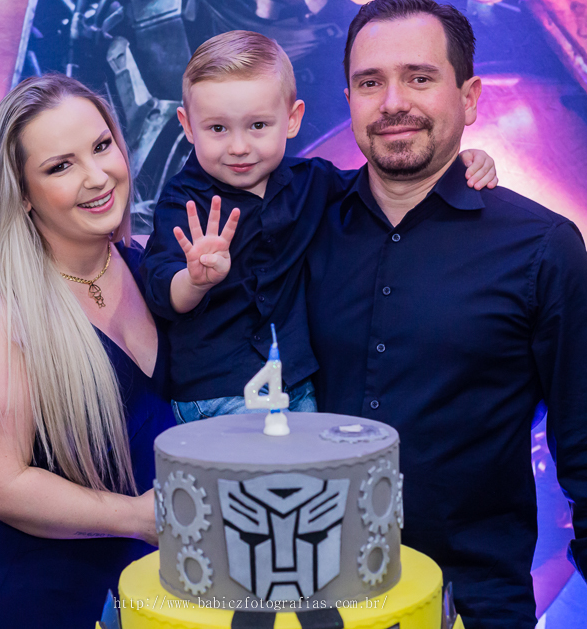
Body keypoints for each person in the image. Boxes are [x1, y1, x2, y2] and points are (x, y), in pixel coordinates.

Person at [305, 0, 587, 628]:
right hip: (312, 604)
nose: (392, 103)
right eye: (369, 83)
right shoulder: (302, 230)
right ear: (349, 99)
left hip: (472, 607)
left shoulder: (540, 245)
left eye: (419, 77)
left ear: (469, 98)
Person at [141, 30, 498, 423]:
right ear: (188, 126)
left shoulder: (312, 181)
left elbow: (384, 185)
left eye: (258, 126)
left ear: (291, 120)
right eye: (218, 129)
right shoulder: (183, 200)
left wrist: (459, 162)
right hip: (216, 392)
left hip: (294, 382)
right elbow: (160, 288)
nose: (239, 146)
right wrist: (194, 281)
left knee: (313, 479)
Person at [0, 74, 174, 627]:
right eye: (60, 166)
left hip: (136, 603)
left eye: (101, 146)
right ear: (21, 194)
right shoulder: (0, 314)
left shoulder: (152, 270)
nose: (97, 177)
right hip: (23, 604)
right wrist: (139, 517)